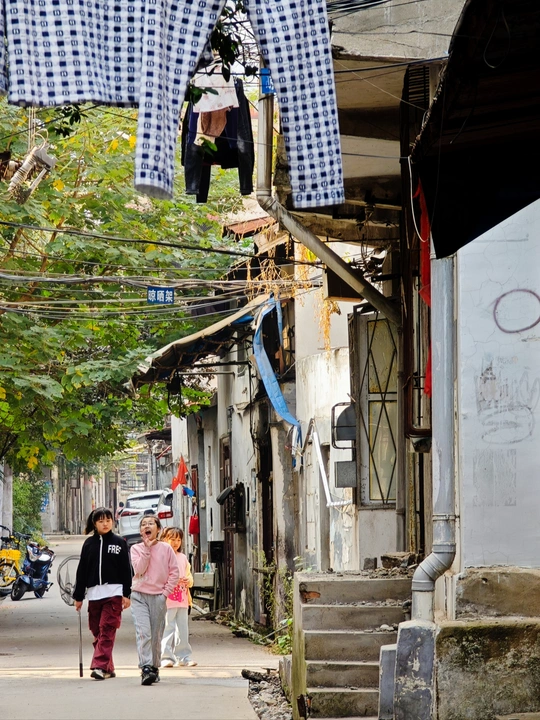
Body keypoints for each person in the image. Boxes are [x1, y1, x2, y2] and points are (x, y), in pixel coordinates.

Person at [72, 507, 132, 681]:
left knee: (107, 628)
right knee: (97, 630)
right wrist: (78, 596)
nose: (105, 524)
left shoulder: (119, 542)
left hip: (114, 593)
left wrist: (126, 593)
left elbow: (126, 569)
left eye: (108, 520)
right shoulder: (88, 544)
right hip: (94, 595)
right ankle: (108, 667)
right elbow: (82, 570)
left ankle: (99, 666)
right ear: (94, 523)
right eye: (101, 521)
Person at [130, 514, 180, 686]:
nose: (147, 526)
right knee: (143, 633)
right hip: (139, 596)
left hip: (158, 597)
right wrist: (147, 549)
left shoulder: (166, 549)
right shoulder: (136, 549)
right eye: (143, 524)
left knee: (156, 634)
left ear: (158, 529)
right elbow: (139, 569)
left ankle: (154, 666)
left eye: (151, 523)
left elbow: (174, 572)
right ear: (140, 531)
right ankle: (145, 667)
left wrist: (165, 594)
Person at [159, 527, 197, 668]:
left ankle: (184, 657)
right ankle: (166, 657)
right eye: (172, 539)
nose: (176, 543)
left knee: (182, 629)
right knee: (167, 628)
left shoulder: (183, 558)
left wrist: (188, 580)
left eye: (178, 540)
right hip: (167, 599)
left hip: (182, 598)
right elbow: (159, 577)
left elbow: (189, 575)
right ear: (164, 540)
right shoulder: (161, 557)